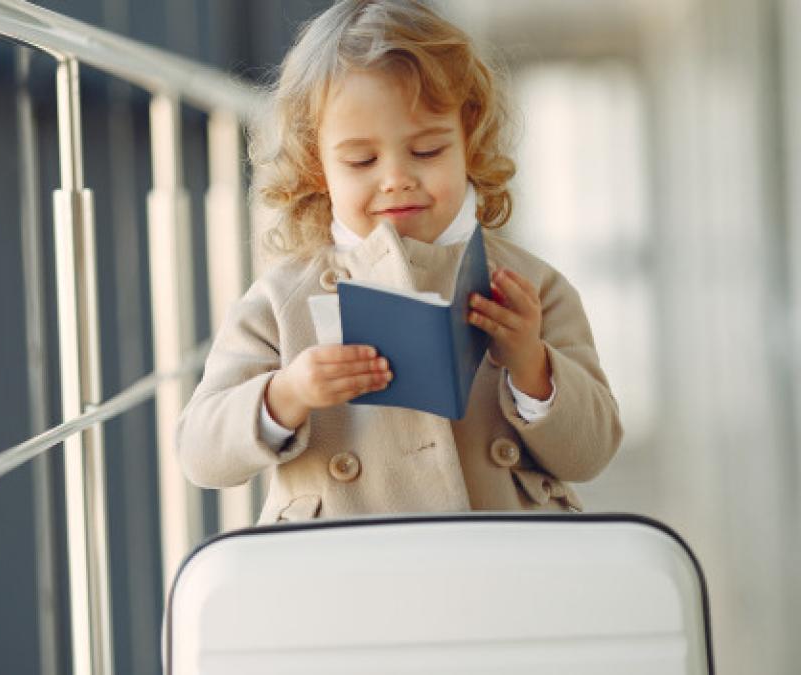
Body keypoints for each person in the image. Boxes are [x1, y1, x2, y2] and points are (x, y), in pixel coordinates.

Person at [175, 0, 622, 523]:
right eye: (362, 160)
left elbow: (592, 453)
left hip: (505, 570)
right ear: (316, 165)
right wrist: (288, 393)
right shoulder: (281, 300)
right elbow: (199, 454)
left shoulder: (531, 287)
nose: (396, 178)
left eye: (428, 150)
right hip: (346, 575)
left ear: (468, 140)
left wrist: (532, 365)